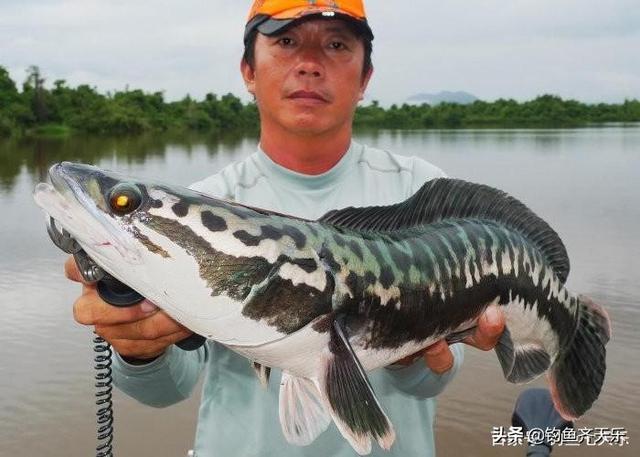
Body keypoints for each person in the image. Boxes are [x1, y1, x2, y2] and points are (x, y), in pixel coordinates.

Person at [65, 1, 505, 455]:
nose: (310, 65)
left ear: (365, 78)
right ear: (249, 71)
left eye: (336, 45)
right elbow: (166, 391)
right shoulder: (201, 203)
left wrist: (410, 353)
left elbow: (435, 379)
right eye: (286, 42)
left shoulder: (425, 196)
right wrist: (140, 348)